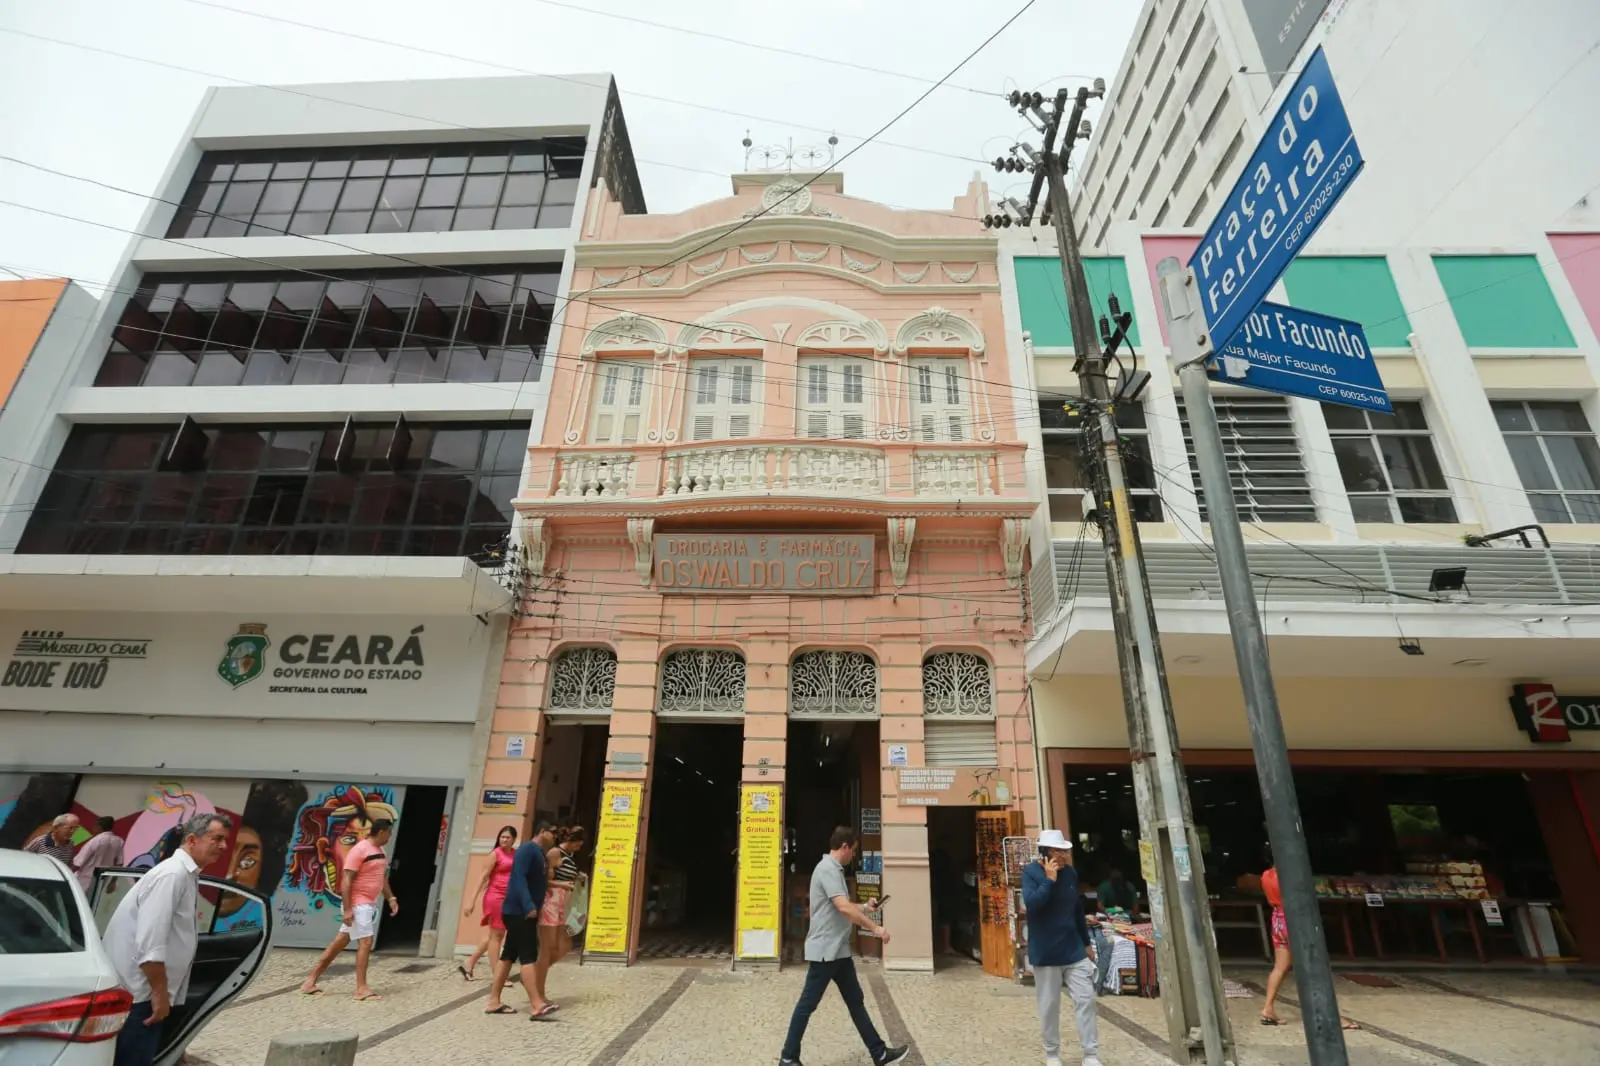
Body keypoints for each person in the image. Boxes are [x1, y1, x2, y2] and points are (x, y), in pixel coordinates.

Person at [102, 813, 231, 1066]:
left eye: (224, 840)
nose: (224, 846)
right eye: (217, 839)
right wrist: (160, 995)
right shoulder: (172, 875)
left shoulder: (185, 874)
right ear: (192, 840)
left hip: (143, 994)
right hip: (140, 996)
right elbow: (150, 946)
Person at [779, 826, 910, 1066]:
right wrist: (875, 928)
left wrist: (865, 907)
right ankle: (788, 1057)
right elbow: (843, 908)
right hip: (825, 952)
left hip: (838, 951)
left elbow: (843, 906)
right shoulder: (827, 869)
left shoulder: (834, 869)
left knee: (855, 1001)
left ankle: (879, 1053)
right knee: (807, 1005)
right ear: (844, 847)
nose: (854, 855)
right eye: (854, 850)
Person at [1259, 846, 1359, 1030]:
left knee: (1280, 967)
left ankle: (1268, 1008)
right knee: (1314, 967)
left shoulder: (1266, 875)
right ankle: (1332, 1016)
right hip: (1294, 920)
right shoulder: (1289, 876)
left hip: (1278, 919)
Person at [298, 817, 398, 1001]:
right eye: (389, 833)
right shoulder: (359, 850)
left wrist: (390, 898)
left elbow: (381, 877)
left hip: (368, 903)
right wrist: (348, 910)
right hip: (358, 903)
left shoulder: (380, 851)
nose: (390, 837)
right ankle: (361, 989)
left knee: (339, 943)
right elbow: (346, 881)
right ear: (381, 832)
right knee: (366, 942)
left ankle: (309, 982)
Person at [1023, 829, 1099, 1066]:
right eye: (1058, 851)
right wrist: (1049, 880)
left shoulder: (1071, 873)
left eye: (1064, 851)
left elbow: (1076, 909)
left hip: (1073, 949)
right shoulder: (1031, 873)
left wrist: (1086, 943)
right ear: (1045, 853)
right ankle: (1052, 1054)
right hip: (1046, 952)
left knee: (1086, 1000)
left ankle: (1091, 1054)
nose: (1063, 855)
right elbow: (1033, 905)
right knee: (1049, 1006)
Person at [485, 821, 558, 1019]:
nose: (555, 836)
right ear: (542, 831)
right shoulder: (527, 850)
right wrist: (528, 905)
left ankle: (493, 1001)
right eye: (553, 832)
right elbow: (518, 878)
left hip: (522, 911)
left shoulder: (539, 853)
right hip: (520, 911)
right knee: (528, 956)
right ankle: (537, 1004)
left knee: (508, 955)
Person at [461, 825, 518, 980]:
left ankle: (469, 962)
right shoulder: (495, 854)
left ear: (514, 839)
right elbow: (482, 877)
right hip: (495, 897)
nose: (504, 840)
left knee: (493, 935)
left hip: (509, 898)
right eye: (502, 837)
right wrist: (471, 901)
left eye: (507, 837)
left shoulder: (515, 854)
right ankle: (498, 975)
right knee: (498, 935)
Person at [536, 825, 586, 994]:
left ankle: (534, 975)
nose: (579, 848)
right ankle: (537, 986)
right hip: (551, 903)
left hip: (563, 905)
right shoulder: (555, 853)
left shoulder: (568, 856)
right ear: (571, 841)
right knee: (548, 947)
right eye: (578, 844)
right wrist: (562, 884)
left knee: (564, 945)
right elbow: (543, 881)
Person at [73, 815, 126, 894]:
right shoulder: (118, 841)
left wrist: (67, 875)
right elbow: (119, 863)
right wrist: (113, 882)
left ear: (99, 827)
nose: (92, 828)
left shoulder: (96, 840)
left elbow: (78, 863)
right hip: (101, 880)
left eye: (94, 826)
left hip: (83, 879)